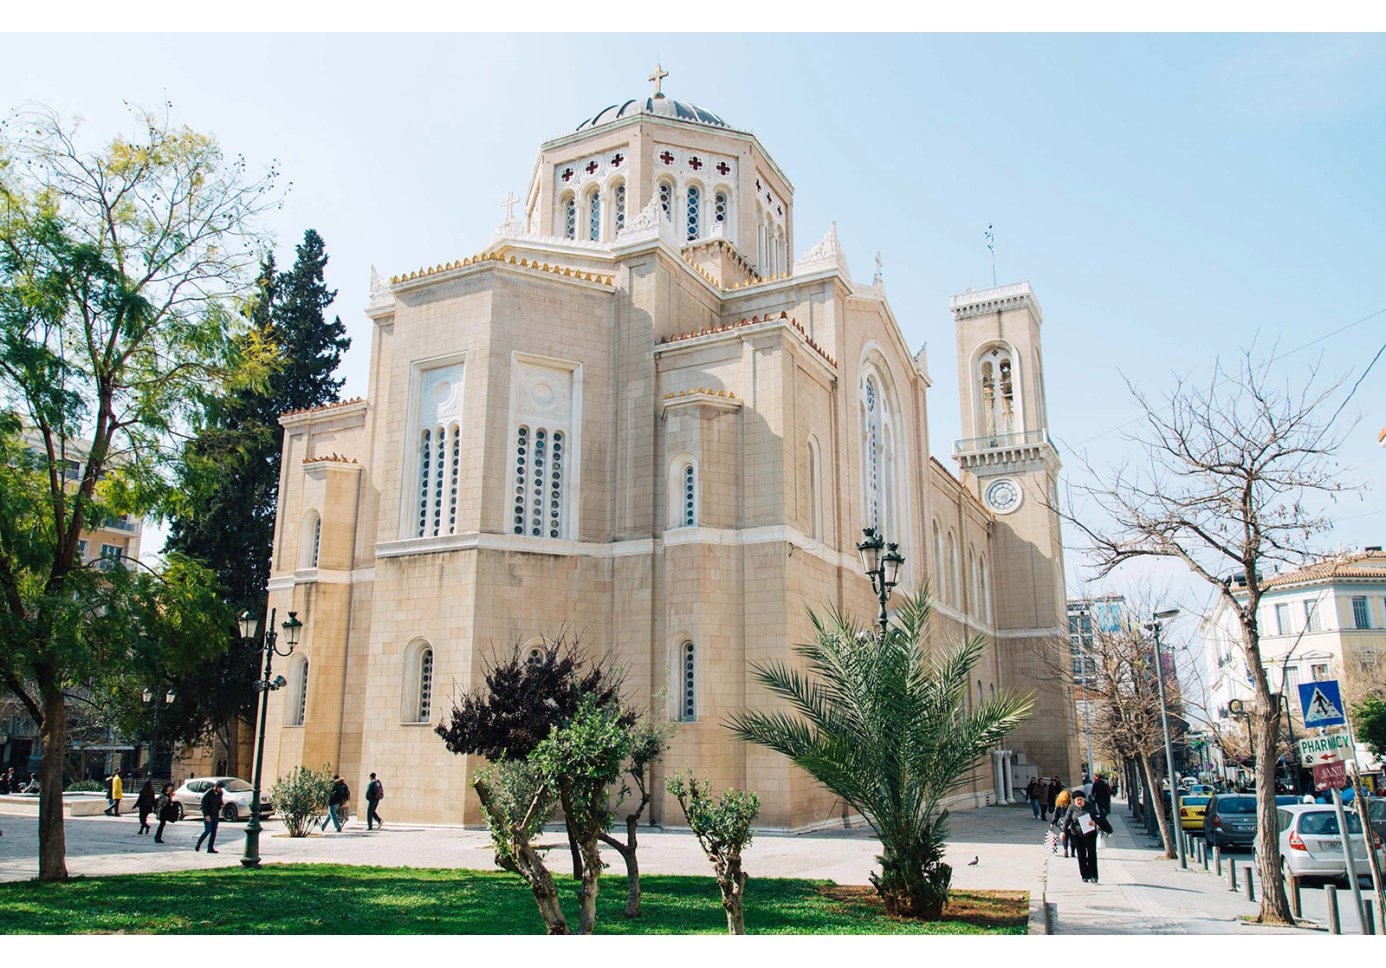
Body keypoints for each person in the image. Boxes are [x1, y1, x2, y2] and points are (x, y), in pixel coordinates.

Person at [1062, 789, 1104, 883]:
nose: (1080, 802)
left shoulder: (1090, 806)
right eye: (1077, 800)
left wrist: (1095, 822)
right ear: (1074, 801)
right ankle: (1084, 875)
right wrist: (1063, 831)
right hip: (1077, 834)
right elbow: (1067, 820)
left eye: (1081, 800)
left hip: (1090, 833)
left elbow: (1097, 817)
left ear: (1084, 799)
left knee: (1092, 854)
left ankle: (1094, 876)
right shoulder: (1071, 807)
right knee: (1081, 855)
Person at [195, 782, 224, 853]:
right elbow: (203, 805)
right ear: (216, 787)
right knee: (208, 830)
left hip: (215, 815)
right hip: (208, 815)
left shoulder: (220, 793)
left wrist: (221, 805)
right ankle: (198, 844)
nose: (220, 790)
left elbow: (219, 803)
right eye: (219, 788)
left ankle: (210, 848)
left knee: (214, 832)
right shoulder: (208, 793)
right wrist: (206, 815)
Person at [1052, 788, 1073, 856]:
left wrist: (1053, 822)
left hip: (1062, 822)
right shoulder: (1072, 805)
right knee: (1073, 837)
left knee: (1065, 837)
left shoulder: (1059, 804)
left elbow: (1055, 814)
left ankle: (1065, 850)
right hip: (1071, 822)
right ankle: (1073, 852)